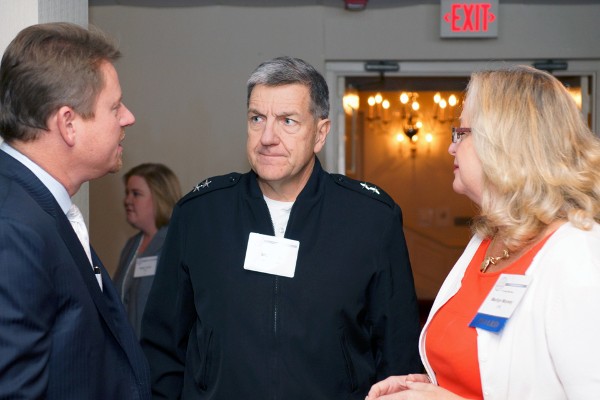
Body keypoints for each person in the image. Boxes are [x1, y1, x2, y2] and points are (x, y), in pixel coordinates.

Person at [141, 56, 421, 399]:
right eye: (257, 119)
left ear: (320, 133)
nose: (267, 137)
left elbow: (397, 352)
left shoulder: (370, 219)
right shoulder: (200, 215)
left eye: (288, 121)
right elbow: (162, 346)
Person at [367, 65, 600, 400]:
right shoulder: (487, 240)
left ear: (505, 143)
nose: (451, 147)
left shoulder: (579, 257)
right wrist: (426, 387)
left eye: (462, 133)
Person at [0, 23, 150, 399]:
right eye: (114, 106)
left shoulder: (38, 205)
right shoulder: (14, 228)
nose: (128, 117)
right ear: (68, 124)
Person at [113, 163, 181, 339]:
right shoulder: (132, 244)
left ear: (159, 197)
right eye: (127, 193)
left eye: (136, 194)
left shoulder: (175, 243)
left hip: (158, 355)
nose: (127, 200)